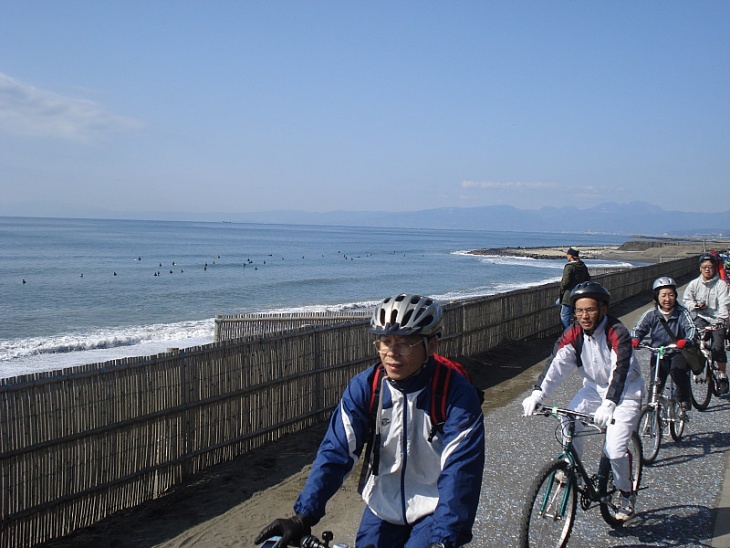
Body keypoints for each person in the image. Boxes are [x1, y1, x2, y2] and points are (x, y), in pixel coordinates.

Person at [255, 294, 485, 548]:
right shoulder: (366, 387)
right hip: (382, 506)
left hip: (435, 507)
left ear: (431, 345)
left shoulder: (455, 394)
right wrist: (304, 515)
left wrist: (444, 538)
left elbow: (461, 471)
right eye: (385, 342)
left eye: (405, 343)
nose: (391, 354)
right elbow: (336, 452)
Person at [522, 281, 644, 521]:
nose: (584, 316)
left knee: (615, 450)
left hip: (626, 391)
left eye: (590, 310)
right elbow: (556, 365)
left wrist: (609, 404)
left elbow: (620, 370)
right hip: (592, 389)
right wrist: (538, 393)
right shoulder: (573, 333)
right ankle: (573, 470)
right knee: (568, 420)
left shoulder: (617, 332)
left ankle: (626, 495)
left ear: (603, 309)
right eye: (579, 310)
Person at [631, 277, 697, 415]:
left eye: (671, 295)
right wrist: (635, 339)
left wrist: (686, 341)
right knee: (656, 383)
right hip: (658, 352)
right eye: (664, 295)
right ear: (657, 297)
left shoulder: (682, 313)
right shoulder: (651, 314)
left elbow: (691, 329)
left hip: (678, 351)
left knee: (678, 372)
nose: (667, 299)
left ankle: (684, 398)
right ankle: (650, 411)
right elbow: (638, 329)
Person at [682, 253, 730, 393]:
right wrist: (695, 306)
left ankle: (722, 375)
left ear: (715, 268)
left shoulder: (721, 285)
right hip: (700, 317)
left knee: (717, 346)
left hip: (717, 319)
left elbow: (724, 304)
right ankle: (697, 367)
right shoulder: (694, 284)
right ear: (700, 268)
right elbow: (686, 300)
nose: (707, 269)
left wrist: (721, 320)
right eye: (704, 267)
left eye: (710, 267)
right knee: (692, 343)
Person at [559, 247, 591, 328]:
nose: (567, 256)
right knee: (558, 303)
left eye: (568, 254)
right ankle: (575, 327)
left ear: (571, 256)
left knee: (564, 315)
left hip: (569, 294)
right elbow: (588, 279)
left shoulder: (569, 267)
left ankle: (567, 333)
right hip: (579, 294)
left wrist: (562, 289)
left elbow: (565, 282)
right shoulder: (583, 265)